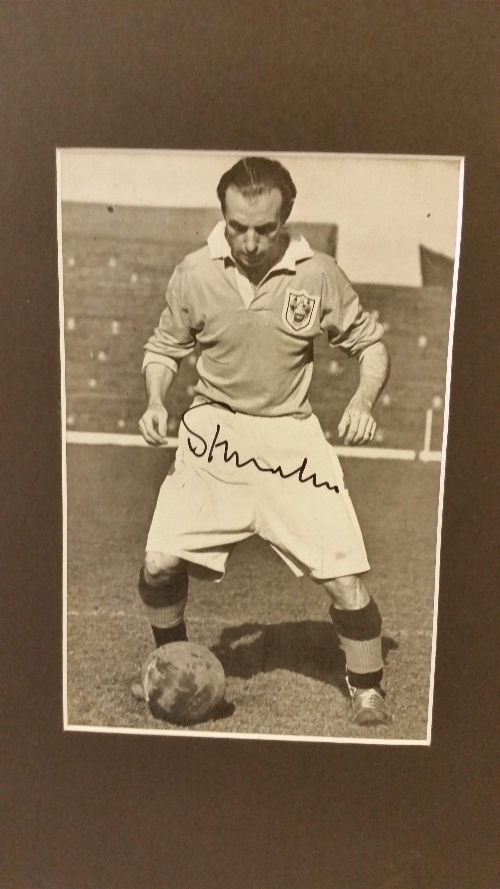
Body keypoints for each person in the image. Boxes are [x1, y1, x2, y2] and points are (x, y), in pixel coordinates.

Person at [134, 156, 392, 726]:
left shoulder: (318, 273)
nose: (249, 242)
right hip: (213, 433)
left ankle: (367, 686)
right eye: (236, 226)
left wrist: (361, 399)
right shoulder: (194, 272)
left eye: (265, 229)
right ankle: (167, 662)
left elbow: (371, 345)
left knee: (345, 579)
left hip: (290, 439)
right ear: (223, 216)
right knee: (157, 563)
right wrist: (156, 399)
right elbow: (164, 348)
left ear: (287, 220)